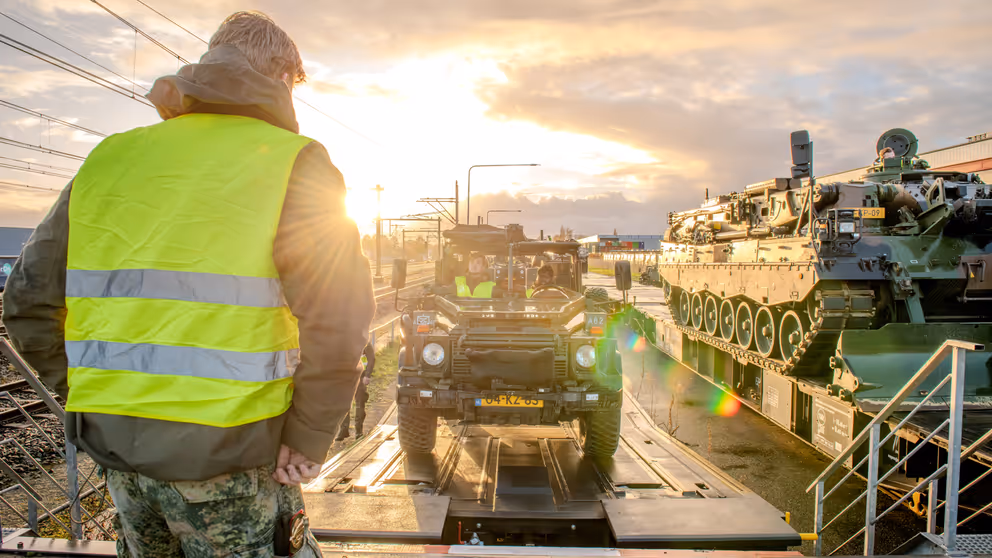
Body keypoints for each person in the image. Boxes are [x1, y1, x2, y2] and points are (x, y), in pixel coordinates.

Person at [1, 11, 375, 557]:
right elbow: (339, 321)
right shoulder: (296, 162)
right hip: (232, 461)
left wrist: (85, 398)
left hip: (121, 461)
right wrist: (308, 433)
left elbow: (28, 300)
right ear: (282, 79)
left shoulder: (110, 157)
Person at [337, 342, 375, 440]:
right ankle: (344, 430)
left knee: (360, 403)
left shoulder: (365, 342)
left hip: (360, 377)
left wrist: (367, 375)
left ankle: (358, 431)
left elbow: (371, 359)